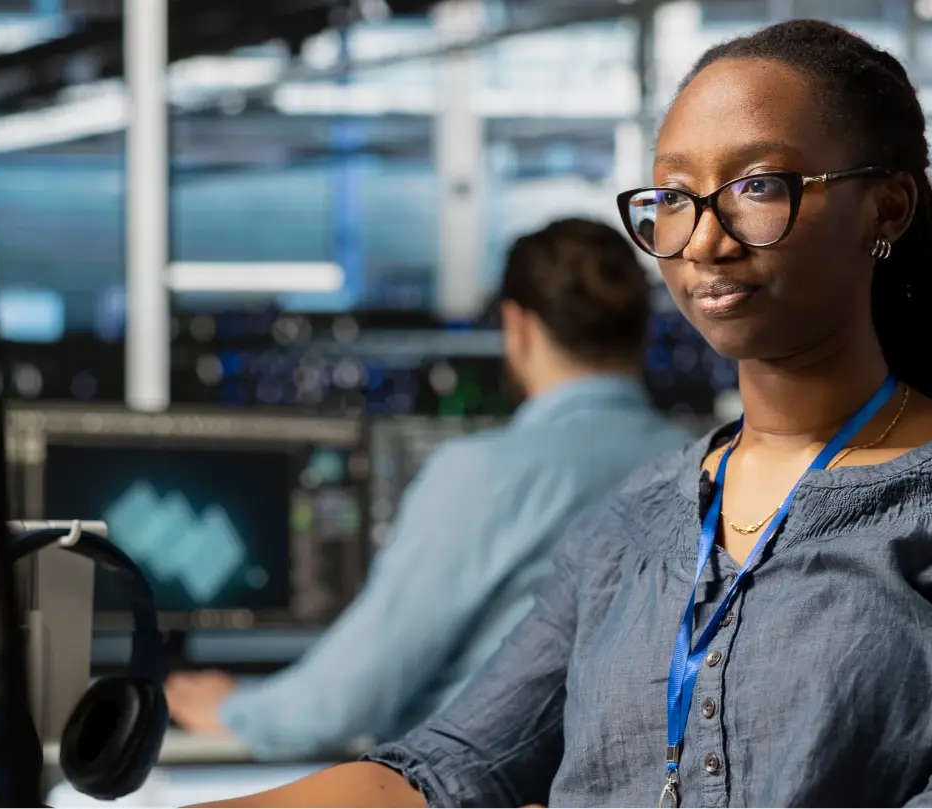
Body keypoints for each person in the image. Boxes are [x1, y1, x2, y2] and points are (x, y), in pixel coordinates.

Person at [192, 19, 932, 807]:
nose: (703, 241)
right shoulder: (635, 520)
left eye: (756, 186)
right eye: (672, 198)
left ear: (883, 207)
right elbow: (448, 768)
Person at [165, 218, 691, 761]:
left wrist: (234, 708)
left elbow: (347, 698)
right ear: (644, 330)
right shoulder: (703, 466)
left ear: (518, 328)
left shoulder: (484, 475)